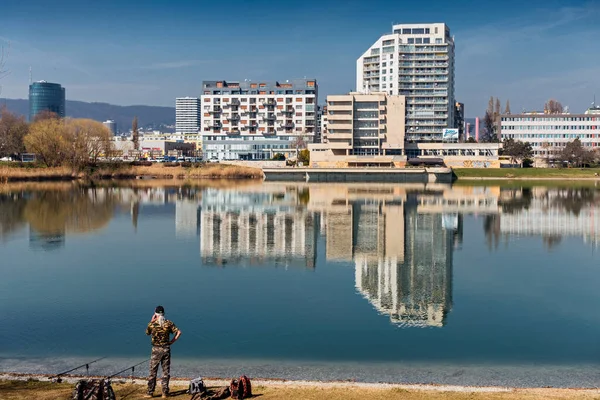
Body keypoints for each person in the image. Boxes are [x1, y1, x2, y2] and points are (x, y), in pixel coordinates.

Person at [144, 305, 182, 398]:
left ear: (155, 314)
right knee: (165, 371)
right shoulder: (168, 323)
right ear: (163, 314)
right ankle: (165, 393)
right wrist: (171, 342)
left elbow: (147, 333)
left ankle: (150, 392)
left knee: (153, 371)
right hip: (166, 349)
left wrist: (151, 321)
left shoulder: (151, 324)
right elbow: (179, 332)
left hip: (156, 350)